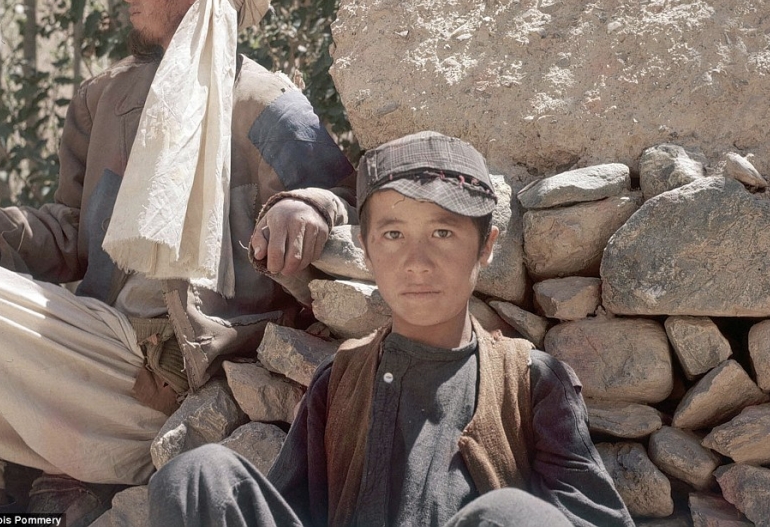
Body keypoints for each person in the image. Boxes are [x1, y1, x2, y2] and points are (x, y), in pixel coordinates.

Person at [0, 0, 356, 520]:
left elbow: (349, 205)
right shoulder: (107, 99)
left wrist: (306, 206)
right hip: (93, 344)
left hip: (176, 378)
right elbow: (69, 235)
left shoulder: (267, 105)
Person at [147, 131, 634, 527]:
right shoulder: (338, 382)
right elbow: (295, 510)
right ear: (366, 248)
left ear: (485, 248)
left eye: (443, 234)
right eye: (393, 235)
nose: (416, 263)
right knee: (196, 477)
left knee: (509, 516)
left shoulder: (532, 382)